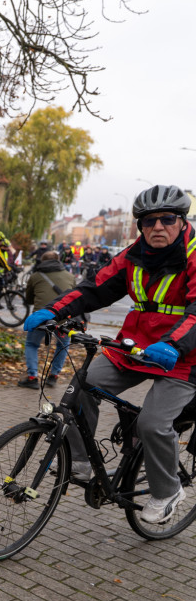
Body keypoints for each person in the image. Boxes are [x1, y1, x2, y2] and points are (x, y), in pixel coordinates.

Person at [23, 184, 196, 524]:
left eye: (166, 219)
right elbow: (95, 288)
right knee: (80, 387)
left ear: (182, 221)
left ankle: (168, 491)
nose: (157, 227)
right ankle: (79, 460)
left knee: (152, 423)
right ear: (140, 226)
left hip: (184, 356)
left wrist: (174, 344)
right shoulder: (133, 254)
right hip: (137, 347)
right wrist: (55, 310)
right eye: (148, 221)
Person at [17, 251, 75, 389]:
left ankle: (32, 377)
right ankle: (53, 376)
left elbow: (29, 299)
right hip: (64, 318)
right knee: (63, 345)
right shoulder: (70, 276)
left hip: (42, 317)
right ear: (58, 260)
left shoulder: (35, 276)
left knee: (32, 344)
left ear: (42, 261)